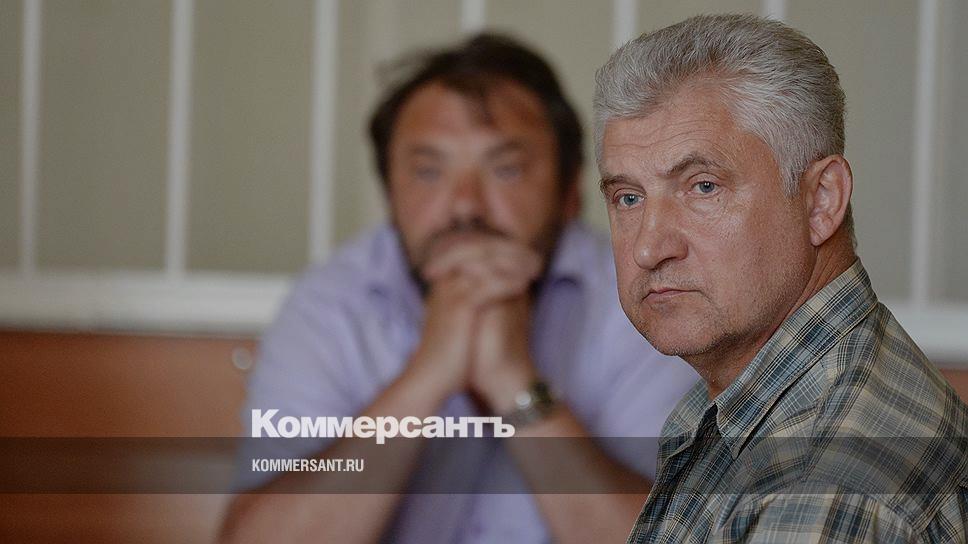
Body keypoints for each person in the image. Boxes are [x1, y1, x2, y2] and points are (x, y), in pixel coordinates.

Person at [220, 34, 698, 544]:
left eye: (505, 169)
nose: (466, 206)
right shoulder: (330, 302)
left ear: (569, 193)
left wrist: (514, 383)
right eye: (429, 172)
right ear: (390, 193)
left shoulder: (642, 293)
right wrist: (426, 376)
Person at [595, 13, 968, 543]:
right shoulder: (766, 396)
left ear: (822, 201)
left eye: (703, 187)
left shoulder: (818, 491)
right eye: (628, 198)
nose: (649, 247)